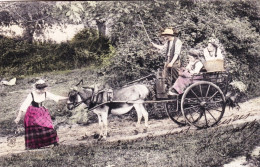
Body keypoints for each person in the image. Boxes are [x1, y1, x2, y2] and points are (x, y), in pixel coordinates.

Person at [14, 79, 68, 149]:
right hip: (32, 113)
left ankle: (54, 142)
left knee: (49, 126)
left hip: (42, 112)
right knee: (37, 127)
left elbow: (56, 97)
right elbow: (24, 106)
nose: (43, 90)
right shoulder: (32, 94)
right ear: (38, 88)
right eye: (41, 89)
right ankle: (35, 145)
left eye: (44, 88)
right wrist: (18, 117)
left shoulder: (46, 93)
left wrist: (67, 98)